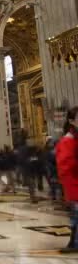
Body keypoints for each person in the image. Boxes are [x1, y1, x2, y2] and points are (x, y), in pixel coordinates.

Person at [56, 107, 78, 252]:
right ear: (72, 121)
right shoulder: (67, 141)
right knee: (76, 214)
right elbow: (65, 165)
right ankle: (74, 243)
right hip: (74, 184)